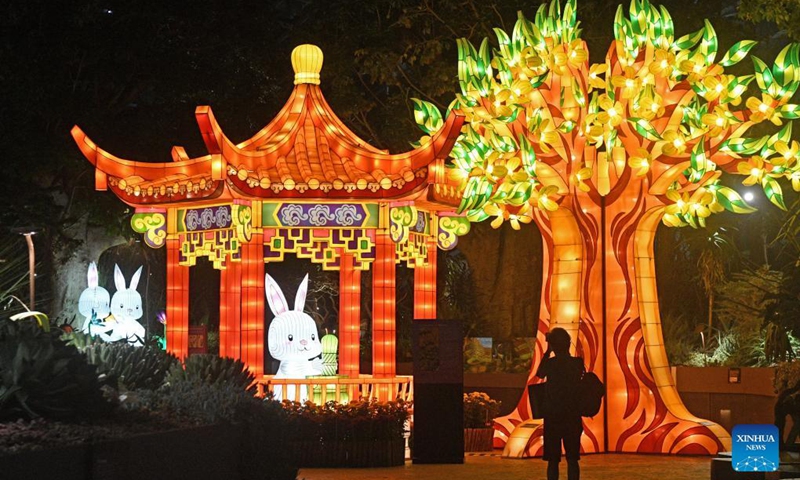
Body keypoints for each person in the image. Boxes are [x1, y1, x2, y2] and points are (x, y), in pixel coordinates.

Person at [536, 327, 584, 480]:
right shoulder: (577, 363)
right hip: (572, 415)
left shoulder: (551, 364)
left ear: (553, 346)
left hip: (553, 415)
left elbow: (540, 374)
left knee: (552, 460)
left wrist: (547, 352)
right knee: (572, 459)